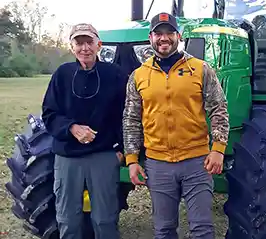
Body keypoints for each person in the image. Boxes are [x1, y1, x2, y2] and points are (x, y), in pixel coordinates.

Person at [122, 12, 230, 239]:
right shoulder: (138, 76)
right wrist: (132, 160)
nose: (164, 38)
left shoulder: (200, 69)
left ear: (178, 36)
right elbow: (131, 119)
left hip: (197, 163)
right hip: (158, 165)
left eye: (169, 33)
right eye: (158, 34)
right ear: (150, 37)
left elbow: (218, 109)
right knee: (164, 230)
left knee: (202, 230)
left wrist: (218, 149)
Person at [41, 23, 128, 239]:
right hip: (68, 156)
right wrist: (71, 128)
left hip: (104, 156)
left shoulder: (115, 75)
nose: (85, 48)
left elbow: (127, 115)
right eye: (79, 43)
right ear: (72, 47)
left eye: (89, 42)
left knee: (105, 220)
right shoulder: (62, 75)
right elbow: (49, 113)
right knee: (68, 219)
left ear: (99, 45)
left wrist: (122, 150)